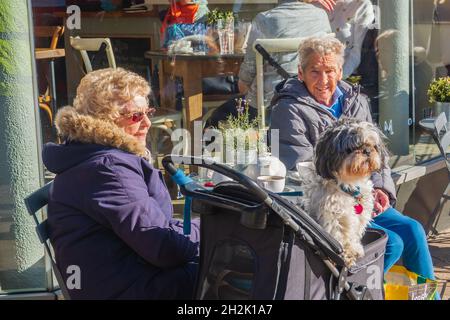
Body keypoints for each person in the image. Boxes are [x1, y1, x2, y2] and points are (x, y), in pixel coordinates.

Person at [269, 36, 438, 287]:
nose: (323, 80)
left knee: (412, 230)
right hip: (329, 206)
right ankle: (353, 291)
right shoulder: (288, 109)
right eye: (315, 71)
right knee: (391, 242)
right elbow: (300, 166)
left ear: (340, 71)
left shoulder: (355, 99)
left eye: (330, 71)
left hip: (365, 196)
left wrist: (382, 188)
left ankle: (428, 295)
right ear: (301, 73)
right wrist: (350, 183)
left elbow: (378, 153)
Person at [42, 68, 200, 299]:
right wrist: (209, 228)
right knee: (233, 269)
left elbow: (155, 230)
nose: (148, 122)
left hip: (127, 275)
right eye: (136, 116)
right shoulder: (108, 168)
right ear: (107, 120)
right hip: (124, 289)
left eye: (148, 112)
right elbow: (164, 249)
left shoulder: (99, 156)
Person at [205, 0, 334, 128]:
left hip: (267, 106)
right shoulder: (321, 16)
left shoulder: (264, 19)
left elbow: (244, 83)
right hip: (310, 102)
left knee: (216, 118)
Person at [328, 0, 375, 78]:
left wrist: (339, 78)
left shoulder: (361, 5)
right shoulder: (314, 4)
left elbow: (356, 52)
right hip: (310, 74)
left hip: (343, 76)